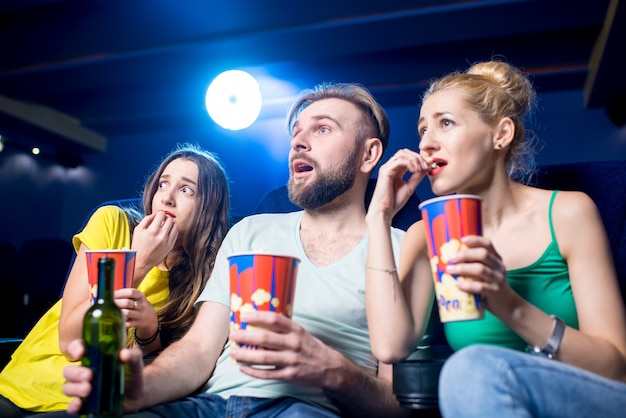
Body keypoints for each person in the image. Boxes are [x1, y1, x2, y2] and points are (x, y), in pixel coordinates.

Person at [53, 83, 411, 418]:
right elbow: (197, 351)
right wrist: (139, 388)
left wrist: (331, 370)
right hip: (208, 407)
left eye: (322, 129)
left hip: (304, 409)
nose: (298, 142)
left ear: (369, 154)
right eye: (296, 132)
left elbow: (397, 406)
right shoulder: (251, 232)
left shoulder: (401, 249)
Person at [365, 60, 626, 416]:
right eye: (423, 129)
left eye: (445, 123)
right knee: (469, 370)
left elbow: (615, 370)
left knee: (469, 367)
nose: (426, 143)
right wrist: (379, 217)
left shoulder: (569, 213)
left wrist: (507, 303)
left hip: (587, 400)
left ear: (500, 135)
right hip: (488, 401)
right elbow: (390, 347)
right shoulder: (425, 235)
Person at [0, 144, 230, 417]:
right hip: (27, 388)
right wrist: (139, 264)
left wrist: (149, 330)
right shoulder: (112, 222)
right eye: (163, 184)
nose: (167, 198)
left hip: (104, 403)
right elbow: (70, 341)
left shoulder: (205, 278)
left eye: (186, 190)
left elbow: (161, 364)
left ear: (209, 208)